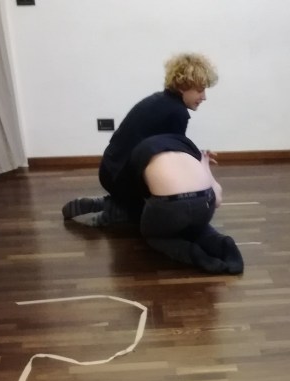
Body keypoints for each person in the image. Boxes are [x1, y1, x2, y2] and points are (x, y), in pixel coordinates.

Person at [62, 53, 218, 226]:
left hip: (109, 170)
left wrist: (198, 155)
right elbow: (176, 160)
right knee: (162, 211)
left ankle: (113, 203)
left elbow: (175, 147)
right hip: (120, 180)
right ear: (183, 86)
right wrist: (201, 165)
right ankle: (116, 211)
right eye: (200, 90)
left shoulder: (159, 100)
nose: (204, 97)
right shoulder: (177, 113)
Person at [131, 133, 243, 274]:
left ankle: (191, 252)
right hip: (205, 200)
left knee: (154, 236)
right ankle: (223, 244)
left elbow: (141, 196)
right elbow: (217, 201)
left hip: (171, 205)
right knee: (198, 228)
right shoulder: (186, 144)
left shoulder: (140, 149)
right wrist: (205, 164)